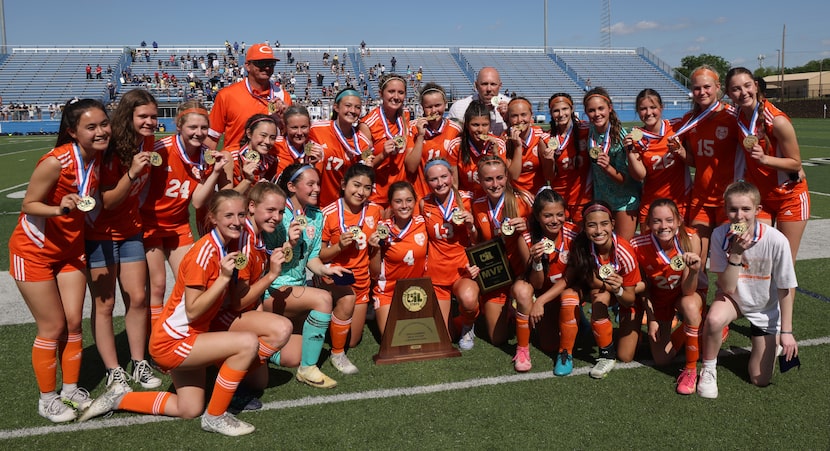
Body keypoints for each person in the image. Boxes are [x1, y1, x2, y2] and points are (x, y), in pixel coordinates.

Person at [80, 190, 289, 437]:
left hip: (191, 335)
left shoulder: (224, 247)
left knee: (188, 407)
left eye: (241, 215)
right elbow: (193, 308)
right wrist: (223, 279)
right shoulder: (205, 253)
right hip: (174, 341)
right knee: (247, 343)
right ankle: (215, 416)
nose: (236, 221)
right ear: (212, 218)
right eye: (229, 215)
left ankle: (120, 399)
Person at [10, 98, 109, 422]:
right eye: (91, 127)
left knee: (73, 322)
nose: (100, 131)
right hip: (34, 250)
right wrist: (59, 209)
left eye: (103, 124)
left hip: (70, 250)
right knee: (51, 327)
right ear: (72, 131)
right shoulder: (56, 162)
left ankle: (70, 389)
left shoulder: (97, 156)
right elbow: (29, 204)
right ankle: (47, 398)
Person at [86, 89, 161, 392]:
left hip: (131, 229)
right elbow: (108, 201)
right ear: (127, 116)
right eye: (143, 116)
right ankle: (113, 369)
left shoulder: (149, 142)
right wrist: (131, 173)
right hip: (99, 233)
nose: (150, 122)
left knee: (138, 298)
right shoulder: (110, 147)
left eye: (154, 116)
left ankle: (138, 361)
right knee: (105, 303)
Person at [697, 181, 797, 398]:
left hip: (765, 307)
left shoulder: (776, 240)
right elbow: (728, 286)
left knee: (759, 380)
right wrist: (735, 253)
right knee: (713, 319)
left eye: (746, 209)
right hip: (733, 299)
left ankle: (770, 339)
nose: (739, 216)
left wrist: (787, 332)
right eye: (733, 209)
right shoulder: (719, 235)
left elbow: (785, 287)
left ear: (758, 211)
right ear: (725, 210)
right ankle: (708, 368)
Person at [262, 163, 350, 389]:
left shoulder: (316, 215)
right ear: (291, 186)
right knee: (323, 299)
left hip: (298, 288)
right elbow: (264, 254)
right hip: (274, 289)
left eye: (318, 183)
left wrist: (326, 270)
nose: (317, 189)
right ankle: (308, 369)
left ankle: (258, 348)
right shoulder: (277, 213)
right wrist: (288, 243)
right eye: (310, 184)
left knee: (291, 357)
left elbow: (312, 258)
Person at [141, 101, 227, 328]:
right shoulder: (161, 150)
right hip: (150, 224)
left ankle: (181, 332)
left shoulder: (207, 157)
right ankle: (155, 340)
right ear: (179, 126)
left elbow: (198, 201)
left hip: (178, 224)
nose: (199, 133)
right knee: (157, 285)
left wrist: (216, 172)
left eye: (203, 128)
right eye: (193, 127)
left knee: (190, 281)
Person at [210, 182, 295, 409]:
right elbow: (237, 303)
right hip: (216, 318)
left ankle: (225, 364)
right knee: (282, 328)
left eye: (280, 212)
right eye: (270, 210)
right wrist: (272, 275)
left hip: (229, 313)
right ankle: (223, 372)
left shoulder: (255, 236)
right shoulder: (244, 240)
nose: (276, 217)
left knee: (259, 382)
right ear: (252, 207)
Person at [725, 67, 809, 263]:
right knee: (758, 257)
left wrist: (765, 159)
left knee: (784, 263)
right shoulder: (736, 115)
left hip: (790, 197)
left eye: (747, 86)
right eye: (736, 89)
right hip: (760, 199)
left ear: (755, 86)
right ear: (729, 94)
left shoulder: (777, 121)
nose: (743, 92)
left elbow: (796, 163)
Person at [630, 199, 704, 394]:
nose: (664, 226)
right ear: (648, 223)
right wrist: (652, 319)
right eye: (657, 221)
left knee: (689, 305)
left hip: (684, 295)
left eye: (669, 220)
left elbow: (688, 291)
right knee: (662, 359)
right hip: (660, 300)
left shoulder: (691, 238)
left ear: (679, 220)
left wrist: (694, 271)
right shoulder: (638, 245)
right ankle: (697, 329)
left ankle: (690, 370)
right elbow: (644, 289)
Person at [678, 65, 741, 285]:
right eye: (697, 88)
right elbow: (695, 160)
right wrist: (681, 152)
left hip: (730, 201)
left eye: (707, 87)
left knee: (730, 257)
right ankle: (698, 312)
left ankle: (730, 308)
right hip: (701, 199)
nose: (702, 92)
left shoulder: (733, 117)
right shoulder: (689, 120)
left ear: (718, 88)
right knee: (697, 258)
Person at [565, 201, 642, 379]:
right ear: (584, 227)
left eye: (604, 224)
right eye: (592, 225)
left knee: (626, 356)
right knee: (595, 297)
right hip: (604, 291)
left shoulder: (625, 252)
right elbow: (591, 282)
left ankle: (636, 326)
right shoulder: (581, 246)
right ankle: (606, 354)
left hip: (628, 297)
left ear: (613, 224)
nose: (599, 230)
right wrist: (609, 287)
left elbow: (630, 298)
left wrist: (618, 289)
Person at [470, 155, 533, 371]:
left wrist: (527, 227)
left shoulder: (522, 201)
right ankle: (507, 310)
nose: (494, 184)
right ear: (479, 180)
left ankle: (521, 309)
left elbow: (545, 233)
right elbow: (477, 243)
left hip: (519, 274)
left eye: (499, 178)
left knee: (545, 337)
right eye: (488, 179)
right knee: (497, 338)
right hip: (495, 277)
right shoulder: (476, 205)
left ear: (507, 177)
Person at [319, 165, 384, 372]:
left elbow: (374, 263)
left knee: (353, 341)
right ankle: (325, 323)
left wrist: (376, 247)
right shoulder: (327, 213)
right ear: (344, 185)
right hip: (335, 280)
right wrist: (339, 246)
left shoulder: (375, 211)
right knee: (340, 336)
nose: (360, 192)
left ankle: (333, 322)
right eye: (356, 185)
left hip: (362, 281)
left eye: (367, 187)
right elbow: (319, 256)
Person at [511, 188, 580, 375]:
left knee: (569, 297)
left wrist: (540, 301)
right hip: (544, 290)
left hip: (562, 291)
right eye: (548, 215)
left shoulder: (574, 234)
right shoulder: (525, 239)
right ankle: (522, 350)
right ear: (537, 216)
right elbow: (537, 284)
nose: (555, 220)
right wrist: (536, 262)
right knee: (522, 290)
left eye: (559, 214)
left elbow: (569, 278)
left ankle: (565, 354)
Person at [420, 158, 480, 347]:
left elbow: (481, 240)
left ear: (451, 176)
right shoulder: (423, 204)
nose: (440, 183)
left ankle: (468, 325)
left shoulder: (468, 198)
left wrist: (471, 225)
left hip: (463, 269)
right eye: (434, 179)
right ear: (427, 182)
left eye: (444, 176)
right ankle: (454, 322)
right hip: (437, 272)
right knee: (444, 337)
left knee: (469, 300)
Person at [625, 89, 691, 231]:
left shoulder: (677, 127)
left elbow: (694, 162)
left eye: (653, 107)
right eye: (643, 109)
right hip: (651, 203)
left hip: (680, 201)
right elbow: (639, 175)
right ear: (638, 111)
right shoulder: (636, 137)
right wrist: (629, 151)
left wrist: (681, 151)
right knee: (648, 250)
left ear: (662, 107)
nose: (648, 113)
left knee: (682, 249)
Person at [369, 181, 428, 336]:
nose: (404, 206)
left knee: (422, 335)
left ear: (415, 201)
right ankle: (378, 307)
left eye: (409, 200)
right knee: (393, 337)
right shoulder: (382, 229)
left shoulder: (423, 223)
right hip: (388, 291)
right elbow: (374, 273)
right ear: (391, 204)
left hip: (418, 290)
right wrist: (375, 249)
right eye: (398, 201)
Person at [207, 43, 291, 152]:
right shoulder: (227, 95)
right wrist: (208, 167)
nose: (267, 67)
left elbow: (290, 138)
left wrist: (284, 122)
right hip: (236, 166)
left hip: (271, 166)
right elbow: (212, 138)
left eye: (271, 63)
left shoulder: (283, 96)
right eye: (261, 63)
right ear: (247, 66)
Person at [583, 88, 641, 239]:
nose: (597, 114)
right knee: (603, 247)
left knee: (622, 248)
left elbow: (627, 179)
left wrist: (608, 168)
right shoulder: (589, 131)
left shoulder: (622, 136)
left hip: (624, 202)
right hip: (601, 199)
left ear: (610, 108)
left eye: (601, 108)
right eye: (591, 110)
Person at [309, 88, 374, 208]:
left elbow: (367, 172)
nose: (353, 111)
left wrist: (369, 167)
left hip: (345, 208)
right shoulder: (316, 130)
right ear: (336, 107)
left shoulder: (364, 143)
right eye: (348, 106)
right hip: (317, 205)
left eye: (357, 107)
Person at [361, 73, 414, 208]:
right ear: (381, 93)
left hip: (402, 194)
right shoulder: (367, 124)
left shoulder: (405, 115)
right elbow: (364, 165)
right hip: (378, 196)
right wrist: (383, 154)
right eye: (391, 91)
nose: (396, 97)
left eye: (400, 92)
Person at [406, 83, 461, 199]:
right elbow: (411, 167)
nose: (434, 110)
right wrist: (420, 136)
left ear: (445, 104)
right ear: (422, 107)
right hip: (419, 194)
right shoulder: (412, 128)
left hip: (445, 196)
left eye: (438, 105)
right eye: (429, 107)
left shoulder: (455, 130)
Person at [448, 100, 507, 198]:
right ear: (466, 125)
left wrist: (495, 153)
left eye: (484, 125)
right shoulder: (456, 145)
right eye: (475, 125)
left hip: (491, 198)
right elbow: (454, 185)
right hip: (466, 199)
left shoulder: (498, 144)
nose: (480, 130)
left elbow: (502, 180)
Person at [548, 93, 591, 223]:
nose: (561, 114)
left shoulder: (587, 129)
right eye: (556, 111)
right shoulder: (547, 138)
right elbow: (549, 176)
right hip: (559, 200)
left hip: (583, 198)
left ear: (572, 109)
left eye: (565, 109)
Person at [503, 97, 554, 194]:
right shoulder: (504, 140)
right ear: (508, 118)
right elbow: (513, 176)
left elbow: (549, 177)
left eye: (523, 115)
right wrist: (518, 146)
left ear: (531, 115)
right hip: (514, 195)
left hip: (537, 195)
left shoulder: (541, 137)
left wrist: (549, 160)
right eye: (514, 116)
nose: (519, 120)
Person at [447, 67, 508, 136]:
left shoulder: (510, 106)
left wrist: (508, 119)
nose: (489, 89)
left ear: (500, 85)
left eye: (493, 84)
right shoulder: (459, 108)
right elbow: (449, 136)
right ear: (476, 85)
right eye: (484, 84)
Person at [228, 114, 279, 195]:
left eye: (272, 137)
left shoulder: (271, 160)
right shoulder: (230, 157)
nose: (268, 141)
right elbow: (224, 200)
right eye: (263, 135)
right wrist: (247, 181)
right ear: (249, 133)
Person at [273, 105, 324, 178]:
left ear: (310, 125)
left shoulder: (316, 150)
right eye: (294, 127)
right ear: (285, 127)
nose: (299, 133)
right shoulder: (275, 146)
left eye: (304, 127)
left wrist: (314, 165)